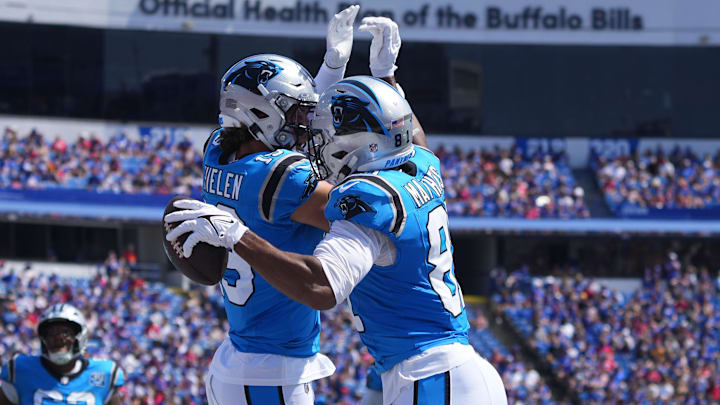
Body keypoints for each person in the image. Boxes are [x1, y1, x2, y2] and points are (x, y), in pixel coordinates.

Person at [165, 76, 508, 404]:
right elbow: (411, 134)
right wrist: (387, 78)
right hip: (451, 372)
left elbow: (322, 286)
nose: (317, 145)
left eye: (328, 136)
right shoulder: (422, 164)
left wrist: (238, 236)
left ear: (356, 146)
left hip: (432, 378)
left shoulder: (369, 199)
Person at [198, 6, 371, 405]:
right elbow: (365, 208)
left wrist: (331, 68)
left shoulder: (219, 151)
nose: (304, 122)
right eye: (294, 113)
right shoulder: (283, 176)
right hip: (270, 370)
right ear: (259, 113)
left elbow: (289, 133)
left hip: (243, 356)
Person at [0, 304, 124, 405]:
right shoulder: (20, 370)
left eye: (66, 332)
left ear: (80, 337)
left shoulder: (104, 373)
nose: (59, 338)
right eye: (52, 333)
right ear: (43, 339)